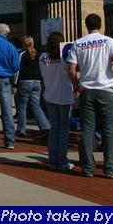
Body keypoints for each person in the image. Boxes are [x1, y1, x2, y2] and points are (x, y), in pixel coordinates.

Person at [66, 13, 113, 179]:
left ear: (86, 25)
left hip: (87, 89)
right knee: (109, 130)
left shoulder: (78, 43)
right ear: (101, 24)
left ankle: (87, 167)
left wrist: (76, 86)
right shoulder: (109, 41)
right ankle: (110, 168)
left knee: (87, 129)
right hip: (106, 88)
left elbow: (71, 69)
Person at [39, 31, 73, 171]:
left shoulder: (43, 57)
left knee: (54, 128)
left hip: (50, 95)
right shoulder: (66, 57)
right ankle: (62, 160)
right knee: (63, 130)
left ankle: (53, 159)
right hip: (64, 95)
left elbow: (42, 74)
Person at [15, 36, 51, 137]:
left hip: (25, 81)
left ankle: (21, 129)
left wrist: (15, 84)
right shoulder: (38, 54)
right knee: (36, 105)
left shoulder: (22, 54)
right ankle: (45, 126)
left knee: (22, 106)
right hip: (37, 81)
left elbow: (18, 70)